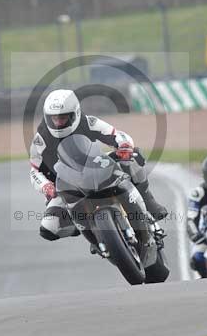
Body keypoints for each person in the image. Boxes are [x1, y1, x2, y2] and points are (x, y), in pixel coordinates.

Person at [29, 89, 168, 247]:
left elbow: (116, 134)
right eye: (54, 118)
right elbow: (34, 171)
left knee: (132, 158)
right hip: (63, 186)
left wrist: (124, 146)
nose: (59, 122)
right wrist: (45, 186)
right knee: (48, 228)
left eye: (63, 117)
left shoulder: (87, 122)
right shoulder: (41, 139)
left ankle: (149, 203)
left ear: (75, 113)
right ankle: (92, 232)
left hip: (94, 166)